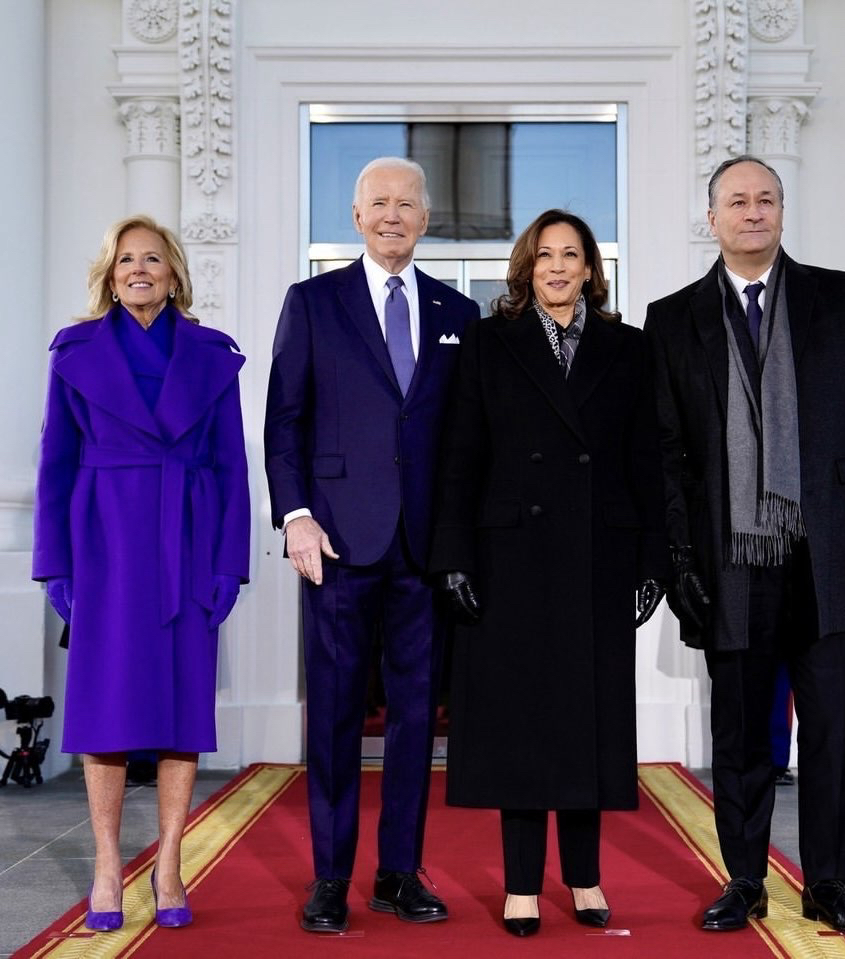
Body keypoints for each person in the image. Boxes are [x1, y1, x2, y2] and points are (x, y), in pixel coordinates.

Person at [644, 156, 845, 936]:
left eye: (765, 200)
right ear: (709, 218)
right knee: (742, 733)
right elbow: (667, 454)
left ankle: (827, 881)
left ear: (781, 212)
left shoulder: (840, 297)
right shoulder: (673, 316)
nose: (752, 212)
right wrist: (676, 558)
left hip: (831, 556)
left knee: (828, 731)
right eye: (736, 202)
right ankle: (743, 879)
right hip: (730, 560)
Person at [429, 209, 669, 937]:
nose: (558, 267)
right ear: (525, 269)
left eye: (571, 255)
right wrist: (452, 553)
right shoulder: (486, 341)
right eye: (544, 256)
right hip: (510, 558)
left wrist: (652, 558)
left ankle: (587, 877)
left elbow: (647, 460)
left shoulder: (628, 348)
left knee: (587, 722)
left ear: (592, 269)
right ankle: (523, 884)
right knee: (522, 724)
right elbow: (460, 454)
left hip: (599, 553)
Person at [264, 157, 480, 933]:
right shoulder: (313, 302)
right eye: (378, 203)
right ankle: (329, 876)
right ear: (355, 217)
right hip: (336, 542)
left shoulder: (459, 310)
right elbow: (283, 420)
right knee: (332, 715)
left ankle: (397, 872)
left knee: (418, 719)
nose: (393, 215)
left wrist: (461, 539)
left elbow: (464, 439)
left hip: (423, 550)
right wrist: (294, 516)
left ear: (425, 218)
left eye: (407, 204)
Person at [32, 215, 250, 931]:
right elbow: (55, 465)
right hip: (103, 546)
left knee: (181, 712)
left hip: (185, 543)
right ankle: (104, 867)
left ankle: (168, 865)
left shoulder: (212, 356)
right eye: (126, 259)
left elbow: (232, 470)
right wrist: (54, 564)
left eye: (152, 258)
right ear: (109, 272)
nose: (139, 268)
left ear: (174, 272)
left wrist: (229, 565)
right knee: (105, 712)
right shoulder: (75, 352)